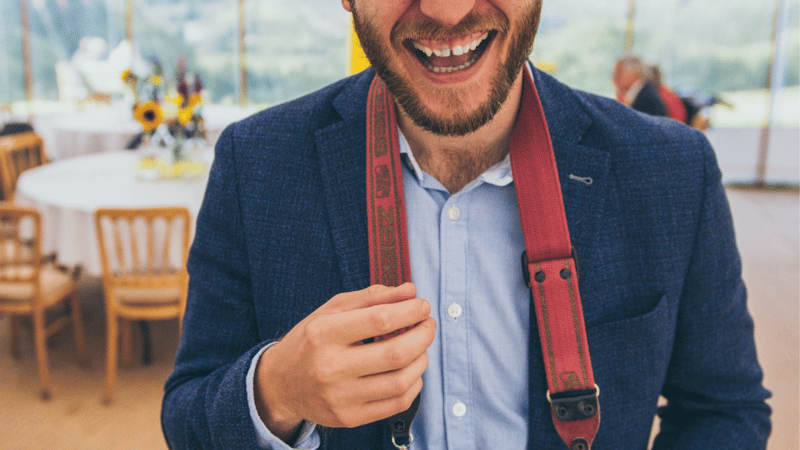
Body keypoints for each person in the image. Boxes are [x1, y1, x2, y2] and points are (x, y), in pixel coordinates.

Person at [162, 1, 771, 449]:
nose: (447, 11)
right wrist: (276, 392)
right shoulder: (258, 162)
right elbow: (186, 416)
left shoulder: (670, 169)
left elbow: (725, 410)